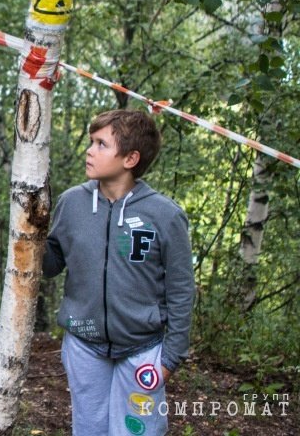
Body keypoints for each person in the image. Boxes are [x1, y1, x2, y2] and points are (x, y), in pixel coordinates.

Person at [43, 109, 194, 436]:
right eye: (91, 142)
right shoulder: (72, 204)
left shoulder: (165, 216)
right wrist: (27, 232)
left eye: (101, 144)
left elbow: (181, 291)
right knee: (89, 429)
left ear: (130, 158)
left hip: (143, 349)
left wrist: (169, 359)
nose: (89, 150)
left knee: (136, 430)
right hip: (84, 345)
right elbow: (49, 265)